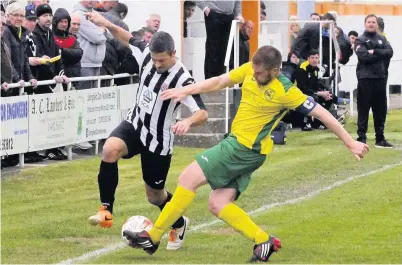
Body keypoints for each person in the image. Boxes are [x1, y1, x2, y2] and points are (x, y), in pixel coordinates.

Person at [122, 45, 369, 261]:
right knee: (217, 204)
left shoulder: (286, 91)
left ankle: (152, 237)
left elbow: (322, 114)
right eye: (254, 70)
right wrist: (186, 90)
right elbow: (219, 81)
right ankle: (263, 241)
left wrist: (350, 142)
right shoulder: (250, 69)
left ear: (275, 70)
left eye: (260, 73)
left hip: (243, 147)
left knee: (188, 178)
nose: (254, 74)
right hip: (247, 149)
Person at [85, 11, 208, 251]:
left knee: (154, 196)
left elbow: (202, 113)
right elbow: (126, 36)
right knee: (110, 149)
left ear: (174, 54)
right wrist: (105, 22)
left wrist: (188, 122)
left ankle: (179, 223)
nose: (157, 64)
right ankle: (106, 211)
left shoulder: (183, 79)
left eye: (162, 60)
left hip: (158, 140)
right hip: (135, 124)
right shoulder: (146, 54)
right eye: (154, 59)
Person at [355, 14, 393, 148]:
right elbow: (363, 56)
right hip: (365, 79)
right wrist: (378, 53)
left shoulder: (382, 38)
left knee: (380, 110)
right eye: (369, 22)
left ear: (377, 24)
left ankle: (380, 138)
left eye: (373, 22)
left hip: (380, 78)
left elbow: (389, 52)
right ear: (365, 24)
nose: (371, 24)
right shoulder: (360, 40)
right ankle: (361, 138)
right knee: (363, 109)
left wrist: (374, 51)